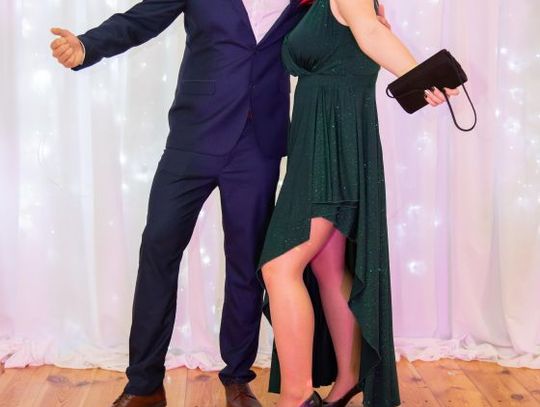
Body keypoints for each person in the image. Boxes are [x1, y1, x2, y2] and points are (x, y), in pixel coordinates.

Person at [49, 1, 392, 406]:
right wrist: (87, 46)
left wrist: (372, 27)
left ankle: (237, 380)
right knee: (158, 250)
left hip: (258, 145)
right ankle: (144, 384)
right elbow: (142, 19)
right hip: (193, 136)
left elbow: (340, 30)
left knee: (246, 264)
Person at [258, 0, 459, 406]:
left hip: (330, 141)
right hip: (321, 138)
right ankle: (348, 379)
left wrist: (422, 78)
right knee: (327, 266)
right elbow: (367, 31)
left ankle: (297, 397)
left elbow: (371, 34)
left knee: (280, 267)